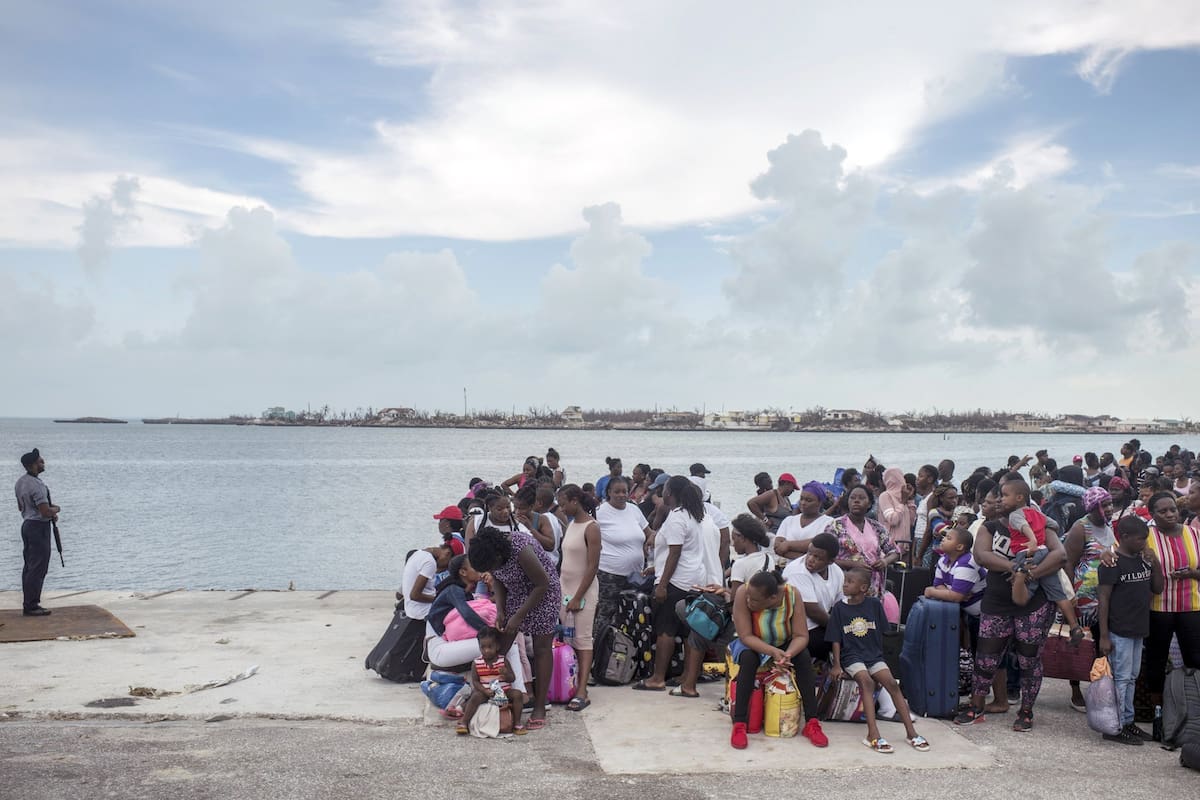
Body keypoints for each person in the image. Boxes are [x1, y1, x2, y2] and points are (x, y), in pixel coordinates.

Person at [955, 492, 1066, 732]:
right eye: (997, 496)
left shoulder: (1040, 522)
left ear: (1019, 499)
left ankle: (1026, 711)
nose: (998, 500)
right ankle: (977, 705)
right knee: (985, 657)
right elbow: (981, 555)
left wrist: (1030, 574)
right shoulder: (990, 526)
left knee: (1029, 659)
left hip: (1034, 604)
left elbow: (1060, 554)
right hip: (997, 602)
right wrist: (1013, 566)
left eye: (1003, 496)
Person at [467, 526, 562, 731]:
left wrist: (518, 616)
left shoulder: (520, 548)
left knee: (542, 648)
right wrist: (500, 609)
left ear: (499, 554)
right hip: (516, 592)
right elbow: (499, 579)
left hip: (543, 594)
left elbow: (542, 583)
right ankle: (495, 695)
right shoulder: (490, 554)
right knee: (499, 646)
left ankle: (539, 706)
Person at [828, 567, 929, 753]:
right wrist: (836, 665)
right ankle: (872, 734)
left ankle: (911, 733)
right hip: (851, 656)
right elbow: (835, 639)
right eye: (845, 581)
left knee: (891, 683)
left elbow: (882, 632)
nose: (845, 584)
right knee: (866, 682)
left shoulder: (874, 604)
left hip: (873, 655)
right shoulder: (839, 609)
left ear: (863, 587)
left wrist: (878, 658)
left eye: (850, 582)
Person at [672, 514, 773, 699]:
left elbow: (735, 602)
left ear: (744, 538)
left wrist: (718, 594)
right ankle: (690, 685)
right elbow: (749, 592)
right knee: (699, 632)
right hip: (760, 621)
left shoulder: (741, 564)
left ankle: (689, 685)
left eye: (735, 538)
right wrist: (723, 589)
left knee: (696, 625)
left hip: (740, 626)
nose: (733, 544)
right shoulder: (767, 560)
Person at [728, 571, 827, 749]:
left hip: (783, 643)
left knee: (803, 657)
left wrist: (788, 654)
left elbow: (801, 635)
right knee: (748, 659)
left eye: (755, 601)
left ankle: (812, 722)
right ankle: (739, 723)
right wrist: (772, 651)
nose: (749, 602)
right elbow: (745, 635)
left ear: (773, 598)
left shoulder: (792, 594)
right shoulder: (745, 591)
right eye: (749, 598)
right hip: (754, 642)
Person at [632, 476, 708, 692]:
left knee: (665, 629)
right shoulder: (693, 514)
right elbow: (683, 552)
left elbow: (675, 553)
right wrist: (656, 568)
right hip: (694, 579)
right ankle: (686, 675)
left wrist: (662, 584)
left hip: (677, 581)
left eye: (664, 489)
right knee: (686, 630)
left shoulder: (676, 518)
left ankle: (658, 678)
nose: (661, 493)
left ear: (670, 493)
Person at [1097, 516, 1164, 745]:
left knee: (1132, 677)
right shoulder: (1112, 563)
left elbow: (1157, 588)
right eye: (1140, 539)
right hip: (1120, 629)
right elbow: (1103, 599)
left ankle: (1128, 721)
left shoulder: (1143, 559)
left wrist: (1155, 563)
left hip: (1138, 628)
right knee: (1121, 678)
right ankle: (1114, 726)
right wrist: (1104, 635)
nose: (1144, 543)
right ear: (1124, 537)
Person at [425, 555, 526, 696]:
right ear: (463, 572)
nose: (479, 568)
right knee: (507, 644)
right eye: (474, 565)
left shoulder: (465, 591)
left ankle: (515, 692)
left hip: (448, 643)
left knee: (505, 644)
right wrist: (493, 633)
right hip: (440, 649)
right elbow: (467, 615)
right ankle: (520, 693)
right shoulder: (454, 590)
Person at [1001, 480, 1085, 644]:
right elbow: (1053, 525)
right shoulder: (1038, 514)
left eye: (1005, 495)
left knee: (1021, 596)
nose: (1002, 499)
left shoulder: (1015, 515)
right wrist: (1040, 534)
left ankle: (1020, 577)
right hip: (1044, 552)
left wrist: (1032, 540)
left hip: (1027, 552)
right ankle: (1075, 626)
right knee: (1058, 594)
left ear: (1019, 498)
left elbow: (1024, 526)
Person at [1143, 491, 1200, 710]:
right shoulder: (1146, 536)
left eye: (1173, 509)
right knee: (1156, 660)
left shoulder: (1194, 534)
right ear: (1152, 514)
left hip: (1192, 607)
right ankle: (1159, 710)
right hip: (1158, 608)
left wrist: (1192, 574)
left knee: (1195, 658)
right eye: (1163, 511)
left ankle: (1193, 706)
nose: (1169, 514)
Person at [1063, 485, 1117, 710]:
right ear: (1093, 507)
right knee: (1080, 645)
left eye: (1110, 503)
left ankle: (1099, 689)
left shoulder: (1110, 525)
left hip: (1107, 595)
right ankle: (1076, 689)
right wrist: (1069, 597)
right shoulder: (1080, 528)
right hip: (1084, 598)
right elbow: (1068, 562)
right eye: (1104, 505)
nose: (1110, 508)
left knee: (1102, 646)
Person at [556, 484, 601, 711]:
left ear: (575, 501)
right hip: (565, 591)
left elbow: (592, 566)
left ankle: (583, 690)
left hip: (583, 591)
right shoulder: (571, 524)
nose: (562, 508)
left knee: (583, 639)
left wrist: (578, 596)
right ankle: (569, 684)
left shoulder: (591, 528)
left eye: (564, 503)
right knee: (568, 638)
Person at [594, 475, 654, 629]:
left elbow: (649, 532)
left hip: (635, 576)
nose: (621, 495)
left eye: (624, 491)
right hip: (610, 575)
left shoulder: (634, 509)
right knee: (606, 614)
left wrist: (650, 540)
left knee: (631, 614)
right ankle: (600, 649)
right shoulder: (599, 512)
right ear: (609, 492)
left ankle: (626, 649)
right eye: (617, 492)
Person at [827, 485, 900, 598]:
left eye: (861, 498)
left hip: (872, 586)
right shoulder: (836, 525)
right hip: (844, 584)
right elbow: (825, 557)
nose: (856, 501)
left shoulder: (877, 527)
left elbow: (895, 551)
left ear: (870, 503)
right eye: (853, 498)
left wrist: (884, 562)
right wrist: (852, 564)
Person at [783, 532, 844, 662]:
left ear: (831, 561)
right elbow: (813, 612)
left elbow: (840, 606)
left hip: (822, 624)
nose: (810, 559)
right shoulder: (797, 571)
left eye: (818, 558)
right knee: (845, 642)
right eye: (809, 553)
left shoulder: (837, 572)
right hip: (800, 629)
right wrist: (841, 630)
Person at [456, 626, 526, 735]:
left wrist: (506, 674)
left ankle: (517, 723)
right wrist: (484, 691)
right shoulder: (477, 663)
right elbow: (476, 681)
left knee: (517, 694)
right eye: (483, 647)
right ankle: (464, 722)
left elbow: (512, 678)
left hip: (504, 691)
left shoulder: (503, 660)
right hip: (487, 693)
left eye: (490, 647)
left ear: (497, 646)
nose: (486, 650)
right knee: (475, 697)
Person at [924, 525, 986, 650]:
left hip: (983, 616)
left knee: (980, 651)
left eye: (948, 538)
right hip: (966, 612)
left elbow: (954, 596)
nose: (943, 539)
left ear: (959, 547)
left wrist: (931, 592)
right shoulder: (943, 560)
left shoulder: (967, 563)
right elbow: (939, 585)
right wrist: (952, 594)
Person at [14, 449, 59, 616]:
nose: (43, 463)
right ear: (32, 465)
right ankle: (32, 605)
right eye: (40, 461)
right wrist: (56, 510)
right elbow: (44, 511)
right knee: (38, 567)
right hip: (38, 528)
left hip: (26, 525)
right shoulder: (37, 485)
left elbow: (20, 507)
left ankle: (28, 602)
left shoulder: (20, 482)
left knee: (29, 566)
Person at [773, 481, 834, 563]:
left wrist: (788, 545)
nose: (803, 503)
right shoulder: (789, 520)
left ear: (820, 502)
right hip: (787, 571)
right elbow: (778, 548)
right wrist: (806, 556)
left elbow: (818, 546)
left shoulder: (828, 522)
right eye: (801, 499)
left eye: (808, 500)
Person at [400, 542, 453, 620]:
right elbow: (414, 595)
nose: (445, 568)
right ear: (447, 554)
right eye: (448, 564)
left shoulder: (417, 554)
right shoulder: (430, 562)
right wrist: (439, 600)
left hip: (410, 609)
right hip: (423, 611)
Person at [915, 483, 958, 570]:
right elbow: (941, 529)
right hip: (940, 555)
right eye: (951, 498)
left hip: (955, 555)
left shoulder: (957, 512)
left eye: (956, 497)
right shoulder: (934, 513)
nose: (954, 500)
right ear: (941, 498)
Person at [878, 467, 917, 558]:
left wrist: (910, 500)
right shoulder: (885, 496)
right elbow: (893, 519)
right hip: (891, 548)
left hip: (905, 547)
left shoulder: (903, 497)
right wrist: (903, 503)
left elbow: (911, 522)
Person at [513, 484, 557, 554]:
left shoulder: (541, 519)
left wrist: (530, 528)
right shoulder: (510, 518)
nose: (517, 512)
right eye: (515, 507)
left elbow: (550, 546)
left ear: (531, 506)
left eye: (522, 508)